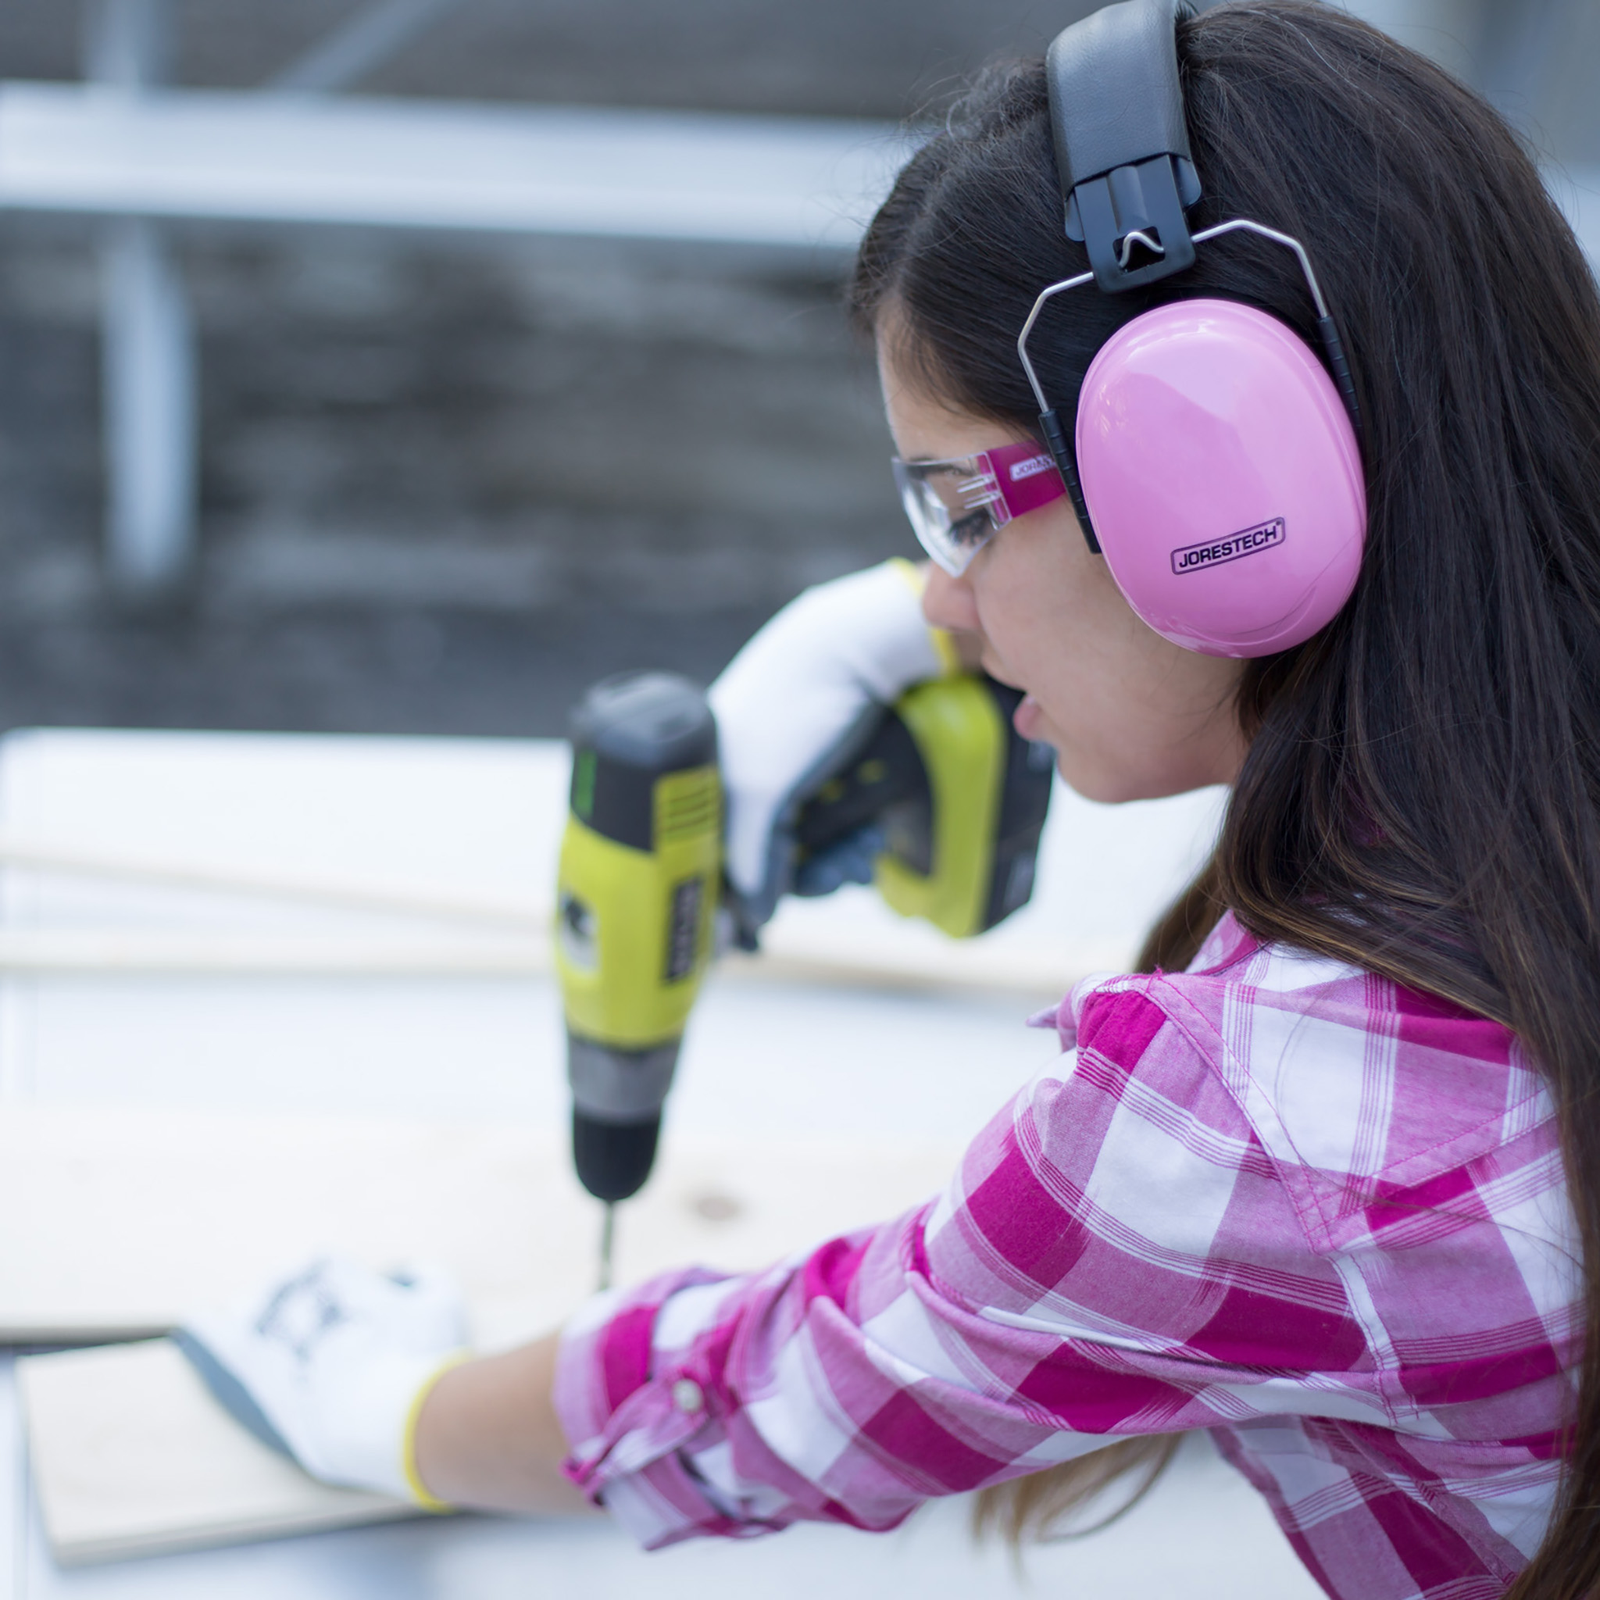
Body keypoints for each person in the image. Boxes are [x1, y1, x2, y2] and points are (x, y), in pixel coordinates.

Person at [180, 3, 1600, 1595]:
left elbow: (792, 1392)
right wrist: (1010, 606)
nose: (943, 603)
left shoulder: (1251, 1120)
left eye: (955, 508)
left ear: (1230, 517)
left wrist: (395, 1415)